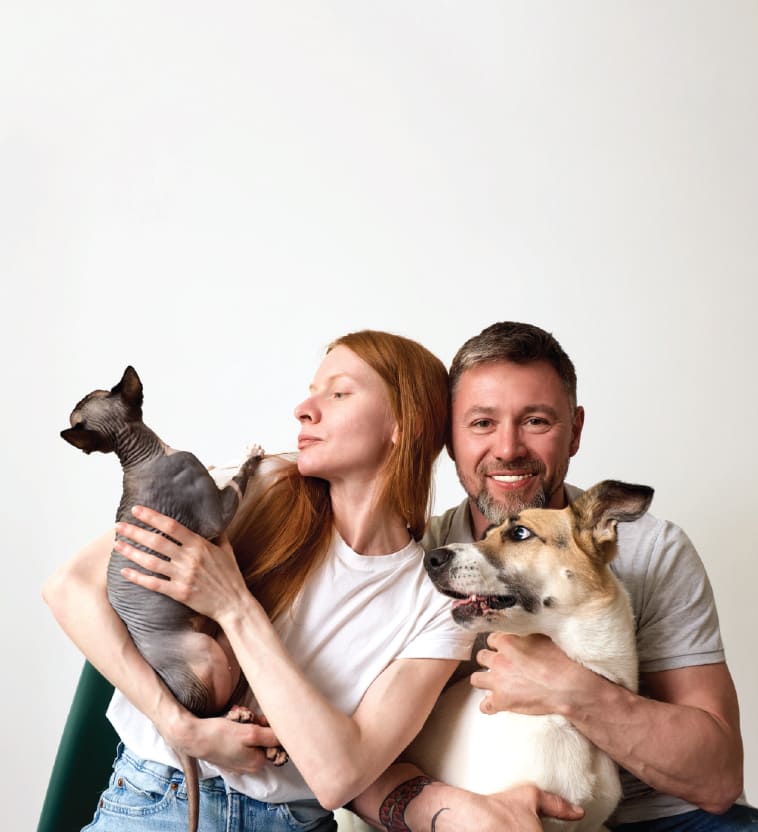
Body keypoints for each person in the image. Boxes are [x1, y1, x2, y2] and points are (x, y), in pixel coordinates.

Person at [349, 322, 758, 832]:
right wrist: (451, 812)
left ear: (575, 431)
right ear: (449, 437)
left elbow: (717, 779)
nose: (508, 448)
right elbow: (347, 757)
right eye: (482, 423)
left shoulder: (653, 549)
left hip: (663, 814)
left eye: (535, 421)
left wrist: (571, 688)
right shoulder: (415, 555)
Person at [44, 330, 482, 831]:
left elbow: (337, 776)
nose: (303, 409)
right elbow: (71, 588)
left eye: (338, 393)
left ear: (403, 424)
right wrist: (179, 725)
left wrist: (234, 605)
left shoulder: (436, 606)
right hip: (158, 802)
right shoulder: (251, 485)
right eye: (311, 391)